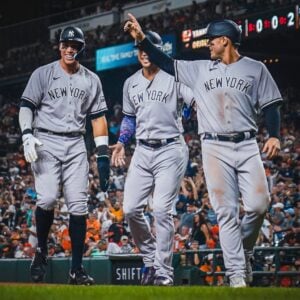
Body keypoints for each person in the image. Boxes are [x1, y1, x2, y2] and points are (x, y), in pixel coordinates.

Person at [124, 15, 282, 287]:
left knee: (259, 206)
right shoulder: (199, 69)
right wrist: (141, 39)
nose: (208, 44)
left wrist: (276, 136)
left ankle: (243, 249)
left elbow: (271, 105)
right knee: (226, 211)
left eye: (212, 40)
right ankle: (236, 276)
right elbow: (163, 62)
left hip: (247, 143)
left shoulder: (256, 69)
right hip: (213, 145)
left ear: (225, 41)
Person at [18, 26, 110, 285]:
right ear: (59, 46)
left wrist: (102, 154)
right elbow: (26, 106)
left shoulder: (91, 79)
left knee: (79, 206)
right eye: (66, 44)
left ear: (81, 48)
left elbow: (98, 117)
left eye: (75, 45)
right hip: (45, 140)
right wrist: (26, 133)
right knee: (46, 198)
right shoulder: (43, 73)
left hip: (76, 143)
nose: (70, 49)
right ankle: (41, 251)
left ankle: (76, 270)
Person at [110, 31, 195, 285]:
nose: (145, 53)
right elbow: (129, 118)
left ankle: (163, 273)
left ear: (160, 52)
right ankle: (149, 259)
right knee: (131, 209)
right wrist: (122, 143)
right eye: (141, 49)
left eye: (150, 48)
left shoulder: (174, 77)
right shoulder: (130, 83)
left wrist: (189, 107)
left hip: (171, 148)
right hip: (143, 150)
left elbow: (194, 104)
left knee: (161, 209)